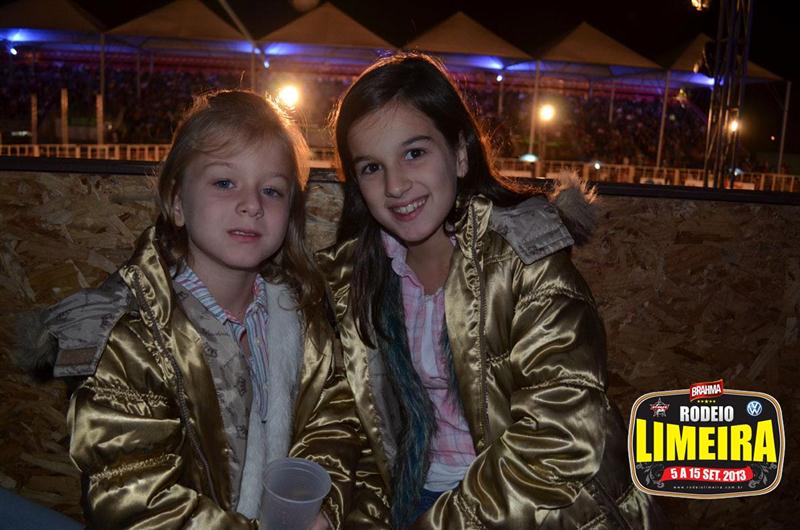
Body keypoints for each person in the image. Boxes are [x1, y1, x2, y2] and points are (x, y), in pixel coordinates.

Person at [318, 53, 667, 529]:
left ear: (461, 154)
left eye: (414, 153)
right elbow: (355, 426)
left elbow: (562, 435)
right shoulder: (353, 279)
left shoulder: (526, 260)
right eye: (371, 168)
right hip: (415, 497)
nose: (396, 185)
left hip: (542, 506)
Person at [19, 90, 388, 528]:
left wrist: (322, 511)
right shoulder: (128, 338)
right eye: (224, 183)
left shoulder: (305, 318)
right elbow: (134, 495)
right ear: (177, 202)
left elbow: (334, 422)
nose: (252, 204)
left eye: (272, 190)